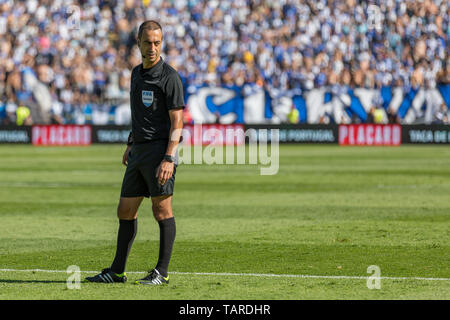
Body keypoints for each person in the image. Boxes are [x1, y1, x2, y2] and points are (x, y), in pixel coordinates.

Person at [86, 20, 184, 285]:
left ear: (161, 43)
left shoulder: (170, 77)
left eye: (157, 42)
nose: (152, 47)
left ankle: (161, 273)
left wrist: (169, 158)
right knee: (125, 210)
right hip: (139, 151)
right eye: (147, 42)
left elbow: (178, 122)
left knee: (162, 210)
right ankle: (117, 271)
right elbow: (138, 114)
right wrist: (131, 142)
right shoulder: (136, 74)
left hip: (160, 152)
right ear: (138, 42)